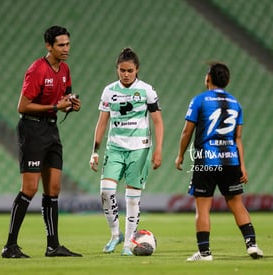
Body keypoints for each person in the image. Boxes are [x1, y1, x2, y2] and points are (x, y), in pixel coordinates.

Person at [1, 26, 82, 258]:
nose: (66, 49)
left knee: (54, 188)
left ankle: (53, 245)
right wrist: (57, 106)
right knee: (30, 188)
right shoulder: (37, 69)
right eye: (61, 45)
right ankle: (10, 246)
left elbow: (65, 97)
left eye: (68, 44)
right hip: (32, 128)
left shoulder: (65, 69)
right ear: (49, 46)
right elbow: (22, 106)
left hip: (51, 129)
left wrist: (72, 103)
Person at [175, 62, 263, 261]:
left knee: (203, 207)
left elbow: (187, 131)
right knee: (237, 204)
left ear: (208, 78)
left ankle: (205, 253)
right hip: (231, 161)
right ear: (228, 81)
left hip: (207, 159)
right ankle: (252, 245)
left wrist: (180, 155)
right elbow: (238, 138)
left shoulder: (199, 100)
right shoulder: (235, 103)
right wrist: (242, 165)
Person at [89, 48, 164, 256]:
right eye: (122, 70)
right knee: (106, 191)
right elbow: (102, 122)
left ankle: (128, 243)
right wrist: (94, 151)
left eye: (130, 70)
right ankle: (115, 234)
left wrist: (158, 150)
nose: (126, 74)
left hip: (139, 149)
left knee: (132, 198)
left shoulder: (147, 90)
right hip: (115, 148)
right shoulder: (109, 91)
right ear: (117, 69)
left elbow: (158, 122)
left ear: (137, 69)